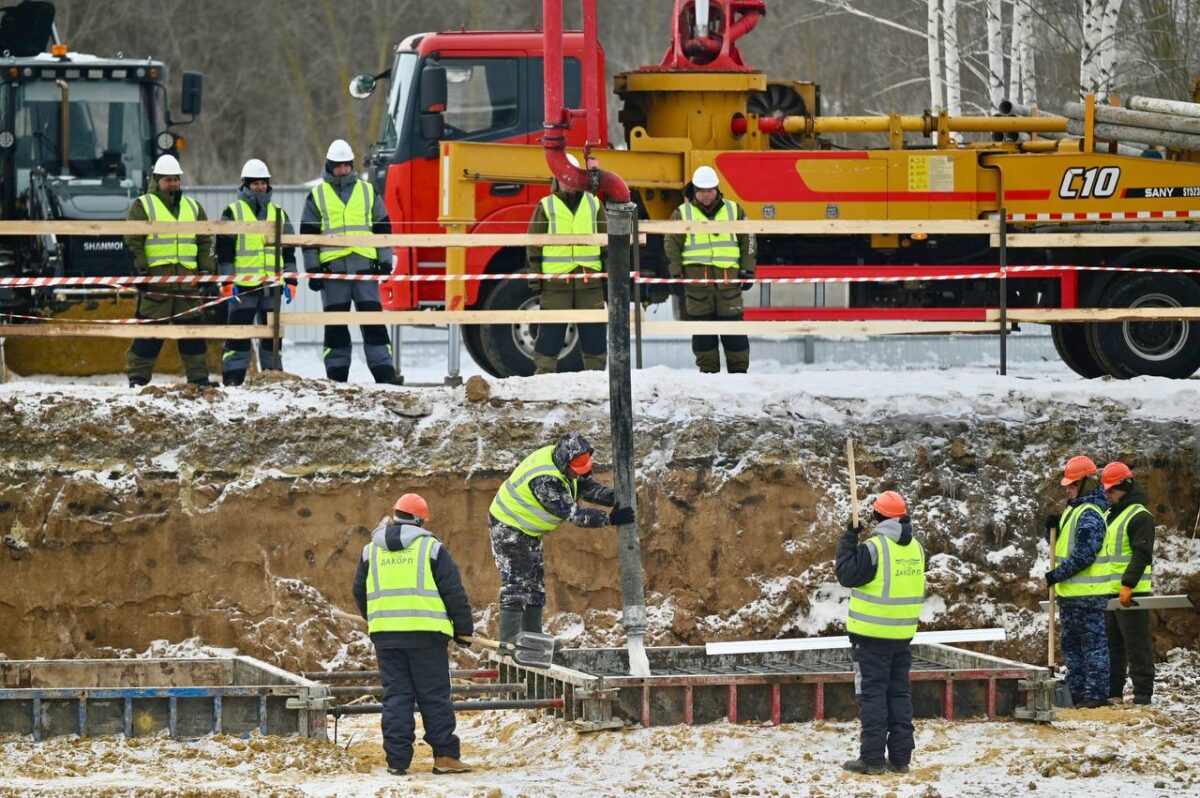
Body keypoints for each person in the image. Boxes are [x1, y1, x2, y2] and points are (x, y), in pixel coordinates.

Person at [351, 493, 474, 776]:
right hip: (426, 636)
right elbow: (453, 592)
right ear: (419, 520)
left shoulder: (371, 551)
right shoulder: (431, 548)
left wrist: (377, 619)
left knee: (396, 697)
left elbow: (359, 591)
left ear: (395, 516)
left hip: (386, 637)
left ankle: (397, 762)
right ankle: (445, 756)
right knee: (434, 697)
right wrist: (463, 630)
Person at [487, 432, 633, 643]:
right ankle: (509, 642)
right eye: (575, 471)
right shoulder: (545, 480)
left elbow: (585, 486)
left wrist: (613, 497)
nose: (576, 475)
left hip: (528, 531)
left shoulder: (565, 463)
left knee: (535, 585)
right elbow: (573, 513)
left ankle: (533, 637)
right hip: (508, 526)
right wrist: (610, 518)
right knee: (518, 581)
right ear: (565, 463)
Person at [836, 490, 926, 775]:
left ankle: (872, 759)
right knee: (899, 695)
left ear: (877, 516)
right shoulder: (916, 548)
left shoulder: (875, 548)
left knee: (873, 696)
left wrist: (849, 538)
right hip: (902, 635)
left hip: (871, 637)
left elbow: (846, 574)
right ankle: (900, 759)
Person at [300, 139, 400, 384]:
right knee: (335, 326)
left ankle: (385, 373)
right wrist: (313, 270)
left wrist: (385, 262)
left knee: (373, 323)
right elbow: (308, 236)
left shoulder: (368, 191)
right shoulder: (317, 195)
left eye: (347, 165)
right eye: (339, 166)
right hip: (332, 272)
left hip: (365, 268)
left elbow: (383, 228)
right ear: (329, 166)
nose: (343, 170)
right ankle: (336, 377)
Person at [124, 154, 217, 388]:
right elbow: (133, 241)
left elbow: (204, 241)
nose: (173, 184)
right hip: (157, 284)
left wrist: (206, 272)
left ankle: (199, 379)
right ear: (157, 181)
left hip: (187, 284)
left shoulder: (193, 207)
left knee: (192, 335)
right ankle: (138, 380)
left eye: (176, 179)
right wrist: (141, 272)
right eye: (168, 180)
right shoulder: (143, 205)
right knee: (149, 335)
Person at [664, 165, 756, 373]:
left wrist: (748, 269)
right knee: (703, 333)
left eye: (710, 190)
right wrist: (675, 275)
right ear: (694, 190)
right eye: (701, 190)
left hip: (728, 282)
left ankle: (739, 375)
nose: (706, 194)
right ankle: (708, 375)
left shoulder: (734, 210)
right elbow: (671, 244)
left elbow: (748, 240)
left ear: (717, 189)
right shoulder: (682, 213)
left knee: (734, 332)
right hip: (697, 284)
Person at [215, 158, 297, 386]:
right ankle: (233, 378)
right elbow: (224, 251)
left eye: (263, 183)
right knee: (238, 334)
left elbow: (289, 250)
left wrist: (291, 280)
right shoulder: (233, 212)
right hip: (243, 287)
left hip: (272, 286)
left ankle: (273, 377)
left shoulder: (279, 213)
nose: (260, 187)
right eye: (255, 183)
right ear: (246, 185)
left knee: (272, 335)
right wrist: (227, 282)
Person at [527, 153, 608, 374]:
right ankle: (544, 375)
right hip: (555, 281)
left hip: (590, 280)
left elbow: (606, 244)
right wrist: (536, 280)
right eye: (564, 176)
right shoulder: (546, 206)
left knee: (594, 331)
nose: (568, 181)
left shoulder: (594, 204)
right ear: (557, 178)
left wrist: (608, 277)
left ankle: (596, 377)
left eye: (572, 176)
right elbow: (534, 246)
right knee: (550, 332)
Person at [1044, 455, 1110, 709]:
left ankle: (1095, 694)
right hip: (1070, 594)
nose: (1067, 489)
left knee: (1093, 648)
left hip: (1088, 594)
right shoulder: (1073, 511)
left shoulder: (1090, 514)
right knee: (1072, 647)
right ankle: (1077, 691)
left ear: (1085, 483)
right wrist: (1051, 528)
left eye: (1072, 484)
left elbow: (1084, 554)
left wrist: (1058, 575)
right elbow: (1061, 545)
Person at [1100, 461, 1156, 704]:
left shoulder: (1140, 516)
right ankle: (1114, 692)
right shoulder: (1109, 515)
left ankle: (1142, 694)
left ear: (1125, 486)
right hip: (1109, 592)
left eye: (1111, 489)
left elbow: (1141, 554)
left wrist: (1128, 584)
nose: (1108, 494)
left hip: (1132, 593)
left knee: (1137, 645)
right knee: (1112, 646)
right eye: (1106, 490)